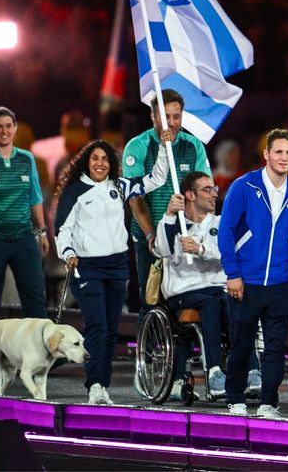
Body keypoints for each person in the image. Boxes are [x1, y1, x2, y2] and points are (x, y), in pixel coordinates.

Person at [54, 137, 171, 404]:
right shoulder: (74, 192)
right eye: (95, 158)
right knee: (97, 326)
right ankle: (94, 384)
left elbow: (157, 178)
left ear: (111, 164)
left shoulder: (120, 186)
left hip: (117, 267)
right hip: (87, 268)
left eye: (105, 159)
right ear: (86, 161)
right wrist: (68, 253)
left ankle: (101, 385)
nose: (100, 163)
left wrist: (164, 148)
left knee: (110, 330)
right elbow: (63, 231)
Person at [218, 128, 288, 418]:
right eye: (278, 151)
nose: (284, 157)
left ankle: (268, 403)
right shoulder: (244, 186)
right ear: (266, 154)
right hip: (246, 282)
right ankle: (235, 398)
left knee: (275, 348)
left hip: (279, 284)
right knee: (242, 344)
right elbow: (225, 230)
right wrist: (232, 273)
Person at [122, 89, 211, 394]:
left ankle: (176, 376)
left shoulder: (193, 146)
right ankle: (147, 368)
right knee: (151, 302)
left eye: (176, 116)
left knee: (182, 306)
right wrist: (149, 233)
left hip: (182, 238)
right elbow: (134, 199)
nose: (171, 123)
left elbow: (205, 191)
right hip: (148, 237)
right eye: (166, 116)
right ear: (153, 116)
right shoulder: (138, 147)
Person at [154, 172, 229, 399]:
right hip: (184, 291)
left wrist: (201, 250)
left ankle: (247, 371)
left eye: (214, 188)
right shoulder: (173, 224)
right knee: (212, 304)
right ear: (189, 195)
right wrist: (168, 214)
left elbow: (229, 256)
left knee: (233, 302)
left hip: (217, 289)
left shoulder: (219, 223)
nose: (214, 194)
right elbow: (161, 250)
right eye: (207, 189)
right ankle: (215, 372)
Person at [0, 107, 49, 339]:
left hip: (23, 237)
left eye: (9, 126)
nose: (4, 130)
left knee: (34, 294)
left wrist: (42, 232)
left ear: (15, 129)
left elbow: (35, 198)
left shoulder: (26, 159)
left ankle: (39, 346)